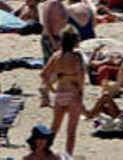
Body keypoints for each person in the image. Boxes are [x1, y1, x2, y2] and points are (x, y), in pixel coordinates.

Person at [40, 28, 85, 156]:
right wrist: (81, 90)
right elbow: (81, 75)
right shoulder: (77, 57)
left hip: (60, 93)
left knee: (54, 127)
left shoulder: (56, 56)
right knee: (71, 131)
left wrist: (51, 88)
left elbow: (44, 74)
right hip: (73, 93)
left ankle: (44, 151)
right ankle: (68, 156)